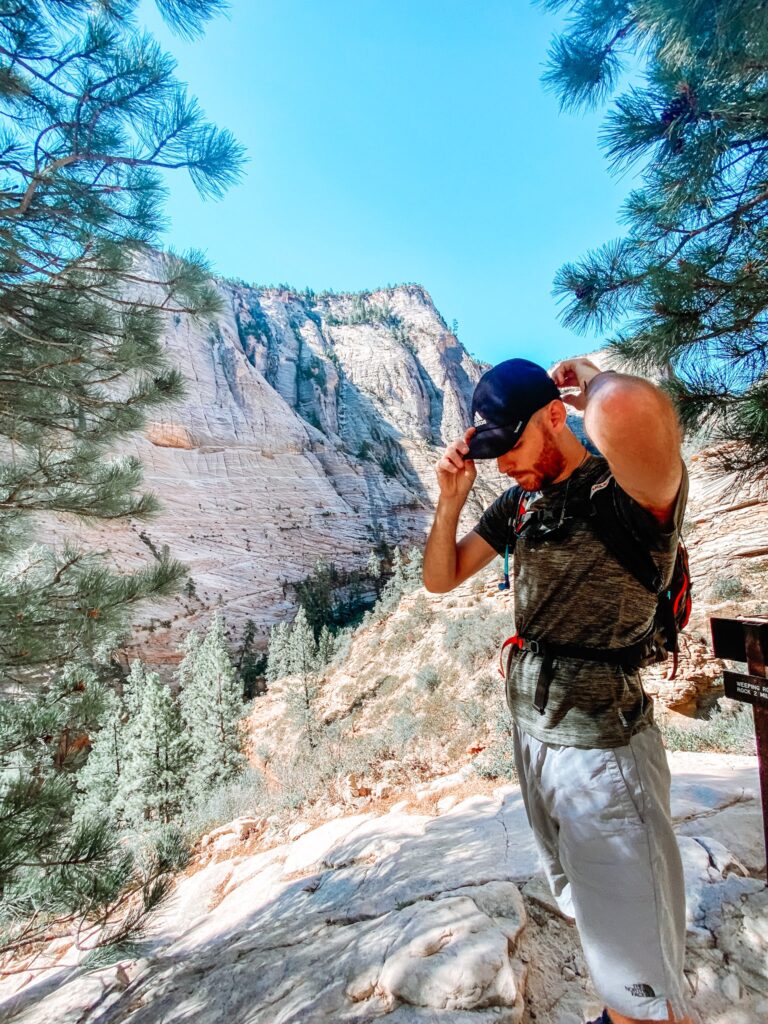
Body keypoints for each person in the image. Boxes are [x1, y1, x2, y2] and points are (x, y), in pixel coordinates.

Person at [422, 356, 694, 1024]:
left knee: (639, 972)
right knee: (593, 910)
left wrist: (595, 383)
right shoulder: (521, 500)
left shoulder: (629, 492)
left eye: (512, 446)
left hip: (603, 746)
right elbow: (441, 577)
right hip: (538, 737)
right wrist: (450, 500)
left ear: (553, 415)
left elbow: (632, 409)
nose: (506, 465)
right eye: (495, 454)